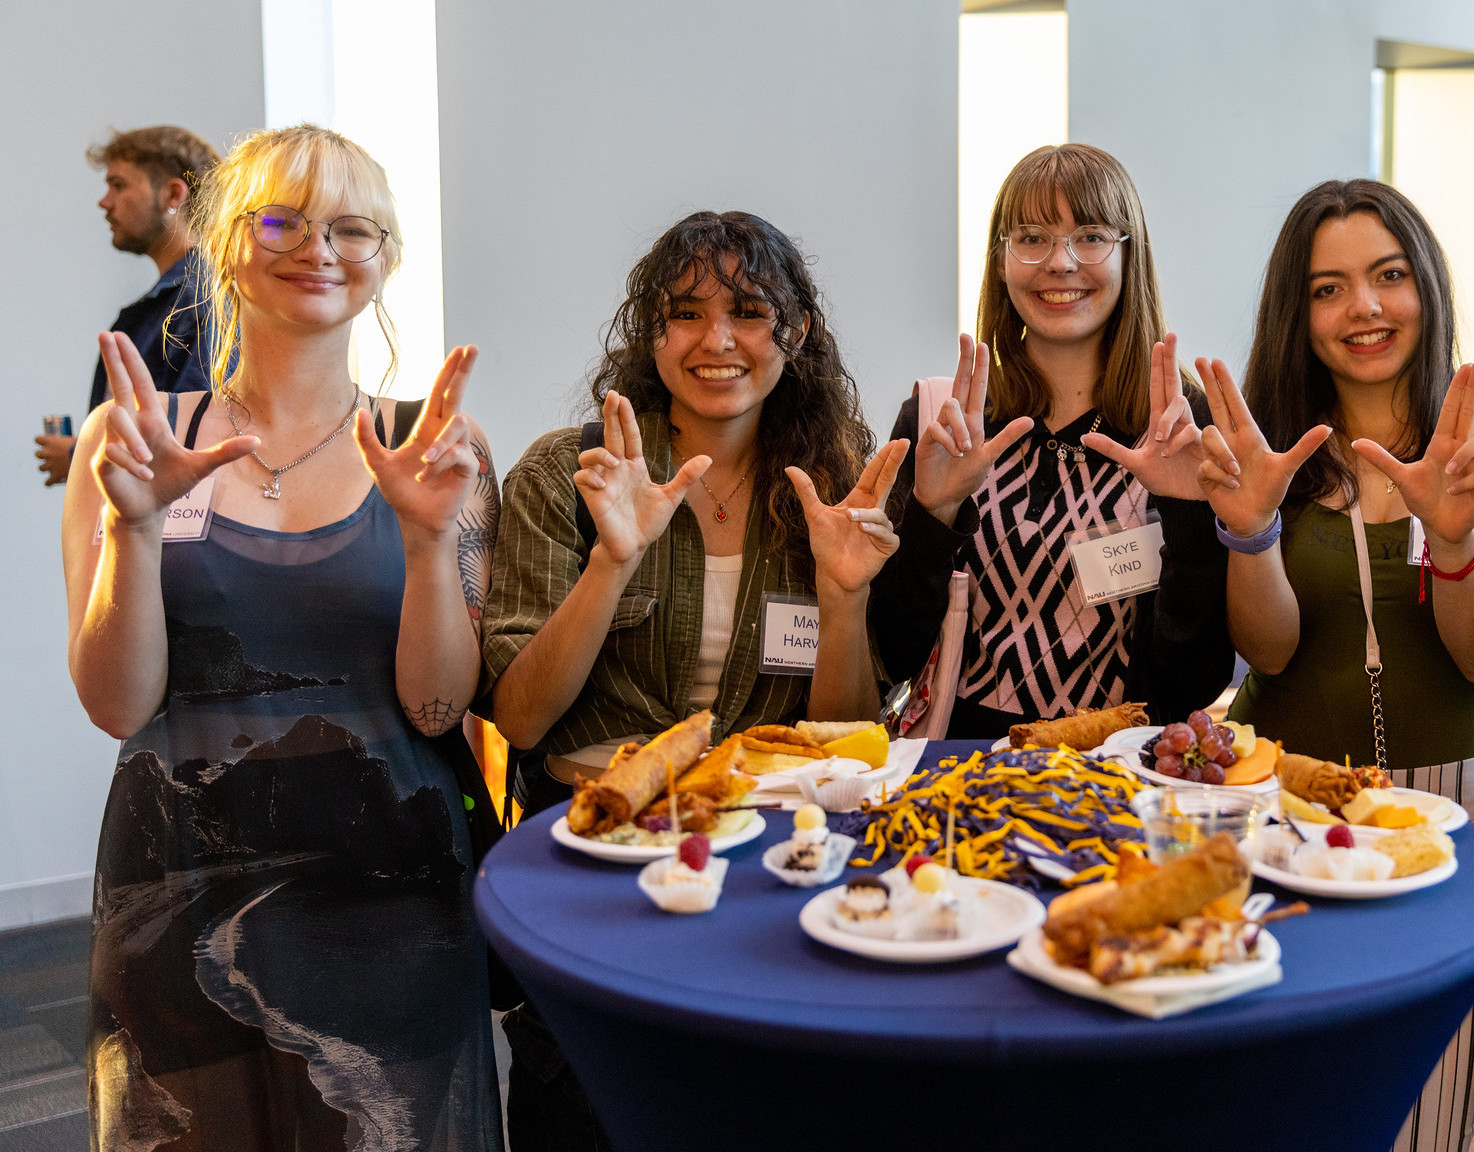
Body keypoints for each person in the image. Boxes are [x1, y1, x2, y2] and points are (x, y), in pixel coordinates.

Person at [61, 125, 503, 1149]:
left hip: (390, 894)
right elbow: (116, 705)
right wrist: (133, 528)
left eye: (355, 228)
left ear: (386, 259)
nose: (321, 248)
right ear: (223, 240)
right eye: (283, 220)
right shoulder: (131, 436)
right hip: (176, 888)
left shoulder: (433, 445)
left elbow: (440, 708)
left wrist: (432, 542)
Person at [478, 209, 907, 1149]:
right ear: (652, 334)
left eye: (750, 310)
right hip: (593, 863)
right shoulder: (572, 474)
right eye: (685, 313)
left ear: (794, 333)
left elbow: (845, 740)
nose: (717, 340)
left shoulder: (831, 483)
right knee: (590, 1115)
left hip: (762, 870)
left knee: (748, 1112)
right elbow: (520, 713)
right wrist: (612, 561)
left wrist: (843, 599)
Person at [1188, 179, 1474, 1151]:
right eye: (1327, 288)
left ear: (1426, 285)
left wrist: (1449, 540)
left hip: (1444, 811)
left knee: (1422, 1102)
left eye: (1387, 276)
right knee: (1278, 1100)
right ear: (1297, 312)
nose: (1362, 308)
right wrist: (1246, 532)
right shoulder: (1274, 445)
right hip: (1277, 800)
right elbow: (1269, 650)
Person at [869, 143, 1232, 739]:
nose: (1060, 262)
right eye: (1032, 237)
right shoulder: (946, 420)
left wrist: (1192, 518)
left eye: (1090, 236)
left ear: (1127, 257)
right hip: (960, 770)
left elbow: (1193, 683)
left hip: (1116, 775)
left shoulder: (1180, 425)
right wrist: (934, 517)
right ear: (1001, 259)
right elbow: (892, 654)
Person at [37, 126, 221, 486]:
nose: (104, 202)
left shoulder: (203, 299)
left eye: (118, 185)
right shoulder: (162, 305)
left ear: (172, 194)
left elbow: (194, 435)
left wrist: (80, 455)